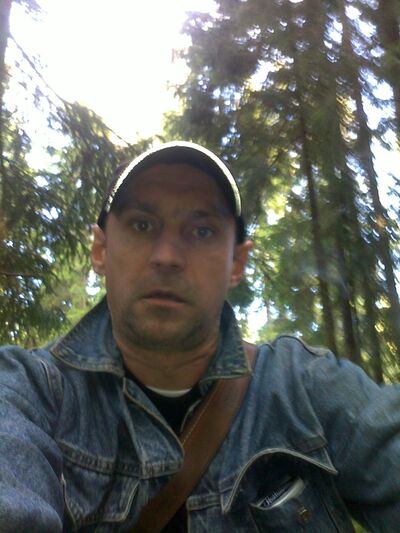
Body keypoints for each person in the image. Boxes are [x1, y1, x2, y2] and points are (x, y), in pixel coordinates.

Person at [0, 141, 399, 533]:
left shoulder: (305, 388)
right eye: (142, 224)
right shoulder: (29, 393)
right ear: (100, 250)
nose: (167, 257)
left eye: (202, 231)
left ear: (236, 263)